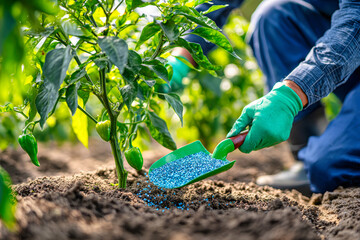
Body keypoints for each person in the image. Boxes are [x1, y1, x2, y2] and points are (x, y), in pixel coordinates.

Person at [169, 0, 360, 194]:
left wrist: (292, 94)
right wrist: (182, 55)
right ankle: (306, 155)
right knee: (273, 16)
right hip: (343, 47)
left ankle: (323, 160)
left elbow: (355, 26)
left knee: (327, 168)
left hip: (352, 37)